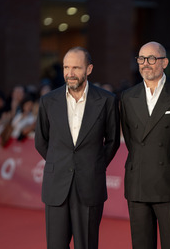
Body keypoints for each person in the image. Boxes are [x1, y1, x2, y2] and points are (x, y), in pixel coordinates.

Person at [35, 46, 120, 249]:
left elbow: (113, 141)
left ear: (89, 69)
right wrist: (60, 163)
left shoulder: (107, 100)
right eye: (66, 67)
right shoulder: (48, 101)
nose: (70, 73)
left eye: (76, 67)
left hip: (90, 185)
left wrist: (93, 164)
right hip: (56, 187)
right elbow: (41, 141)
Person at [120, 41, 170, 249]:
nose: (145, 64)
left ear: (164, 62)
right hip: (138, 184)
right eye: (141, 59)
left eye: (151, 58)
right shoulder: (127, 96)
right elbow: (131, 139)